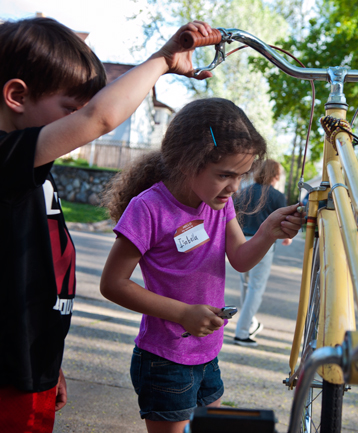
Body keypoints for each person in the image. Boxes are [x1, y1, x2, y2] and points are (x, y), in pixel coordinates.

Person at [0, 16, 213, 432]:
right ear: (16, 96)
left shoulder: (33, 172)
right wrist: (163, 60)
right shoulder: (6, 158)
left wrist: (49, 363)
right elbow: (100, 117)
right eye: (68, 109)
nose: (77, 124)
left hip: (30, 367)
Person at [99, 98, 304, 433]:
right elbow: (113, 284)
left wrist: (268, 231)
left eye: (241, 176)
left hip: (208, 353)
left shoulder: (218, 204)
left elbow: (240, 259)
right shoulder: (149, 208)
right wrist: (182, 313)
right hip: (166, 359)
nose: (235, 187)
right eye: (225, 175)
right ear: (186, 162)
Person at [233, 159, 291, 347]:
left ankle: (250, 323)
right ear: (275, 175)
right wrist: (287, 236)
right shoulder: (277, 196)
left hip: (241, 241)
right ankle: (242, 332)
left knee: (246, 286)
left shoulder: (243, 192)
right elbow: (284, 223)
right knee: (255, 289)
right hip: (263, 245)